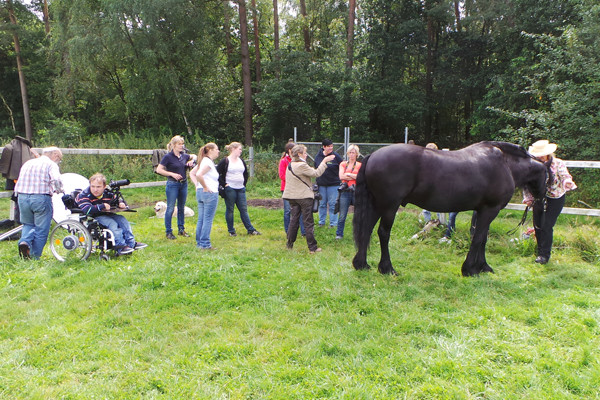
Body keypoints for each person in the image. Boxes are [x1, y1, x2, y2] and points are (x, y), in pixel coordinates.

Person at [523, 140, 577, 264]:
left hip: (555, 197)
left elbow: (564, 176)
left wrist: (567, 182)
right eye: (538, 154)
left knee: (547, 225)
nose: (541, 156)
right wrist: (528, 198)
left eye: (543, 154)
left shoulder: (558, 163)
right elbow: (527, 183)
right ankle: (540, 251)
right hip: (538, 198)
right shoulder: (532, 165)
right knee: (537, 224)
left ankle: (544, 255)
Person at [75, 173, 147, 255]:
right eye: (93, 186)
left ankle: (131, 243)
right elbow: (87, 210)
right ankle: (120, 246)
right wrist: (102, 206)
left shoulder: (107, 193)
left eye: (98, 187)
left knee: (122, 220)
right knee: (112, 223)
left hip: (106, 213)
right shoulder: (84, 195)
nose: (95, 189)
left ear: (104, 186)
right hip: (93, 216)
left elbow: (116, 199)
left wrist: (120, 203)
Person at [283, 144, 335, 254]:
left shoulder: (290, 165)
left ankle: (289, 244)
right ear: (299, 154)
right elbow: (316, 173)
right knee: (308, 222)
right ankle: (312, 248)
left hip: (292, 197)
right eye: (305, 153)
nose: (306, 155)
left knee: (294, 220)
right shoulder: (301, 165)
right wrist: (324, 162)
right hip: (304, 197)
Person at [14, 146, 63, 259]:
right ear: (55, 155)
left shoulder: (28, 163)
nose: (58, 161)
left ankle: (24, 242)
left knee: (28, 224)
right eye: (59, 158)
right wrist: (60, 190)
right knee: (41, 228)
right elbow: (57, 181)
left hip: (22, 197)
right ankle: (34, 256)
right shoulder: (51, 165)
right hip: (40, 198)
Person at [155, 135, 196, 240]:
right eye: (179, 144)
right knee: (170, 208)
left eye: (182, 144)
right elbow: (159, 170)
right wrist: (171, 174)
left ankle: (181, 230)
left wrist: (190, 163)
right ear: (173, 145)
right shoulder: (168, 157)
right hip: (173, 184)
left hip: (183, 184)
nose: (182, 146)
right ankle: (169, 232)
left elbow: (194, 156)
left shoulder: (184, 156)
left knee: (181, 207)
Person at [216, 142, 260, 236]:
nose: (241, 151)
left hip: (241, 188)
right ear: (233, 149)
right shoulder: (225, 161)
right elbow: (217, 174)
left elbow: (245, 173)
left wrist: (244, 184)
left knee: (243, 209)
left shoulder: (241, 161)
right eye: (239, 149)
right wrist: (224, 184)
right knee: (230, 209)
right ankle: (231, 231)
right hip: (230, 189)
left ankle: (250, 229)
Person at [191, 143, 220, 250]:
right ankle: (205, 244)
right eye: (217, 149)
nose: (218, 151)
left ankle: (199, 242)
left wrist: (198, 186)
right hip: (209, 193)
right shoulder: (208, 162)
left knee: (201, 219)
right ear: (211, 150)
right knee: (207, 219)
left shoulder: (203, 160)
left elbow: (192, 173)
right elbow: (198, 175)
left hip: (201, 193)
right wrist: (205, 186)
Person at [314, 139, 343, 228]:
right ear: (324, 147)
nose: (331, 148)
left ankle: (333, 223)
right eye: (329, 146)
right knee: (322, 204)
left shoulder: (335, 156)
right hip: (322, 184)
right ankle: (321, 222)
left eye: (332, 146)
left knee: (333, 204)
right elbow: (316, 167)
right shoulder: (318, 156)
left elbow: (342, 165)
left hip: (333, 184)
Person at [335, 144, 362, 239]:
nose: (351, 154)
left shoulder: (359, 165)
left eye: (353, 153)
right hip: (345, 191)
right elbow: (341, 176)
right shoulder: (343, 164)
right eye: (350, 152)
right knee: (342, 214)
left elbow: (360, 177)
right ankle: (339, 234)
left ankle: (359, 233)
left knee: (358, 214)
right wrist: (354, 176)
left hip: (356, 191)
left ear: (356, 154)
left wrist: (349, 174)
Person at [279, 142, 305, 236]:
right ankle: (288, 231)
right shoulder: (284, 161)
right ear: (290, 151)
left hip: (298, 188)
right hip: (287, 189)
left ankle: (303, 231)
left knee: (301, 210)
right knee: (288, 211)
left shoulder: (299, 160)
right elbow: (282, 175)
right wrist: (294, 179)